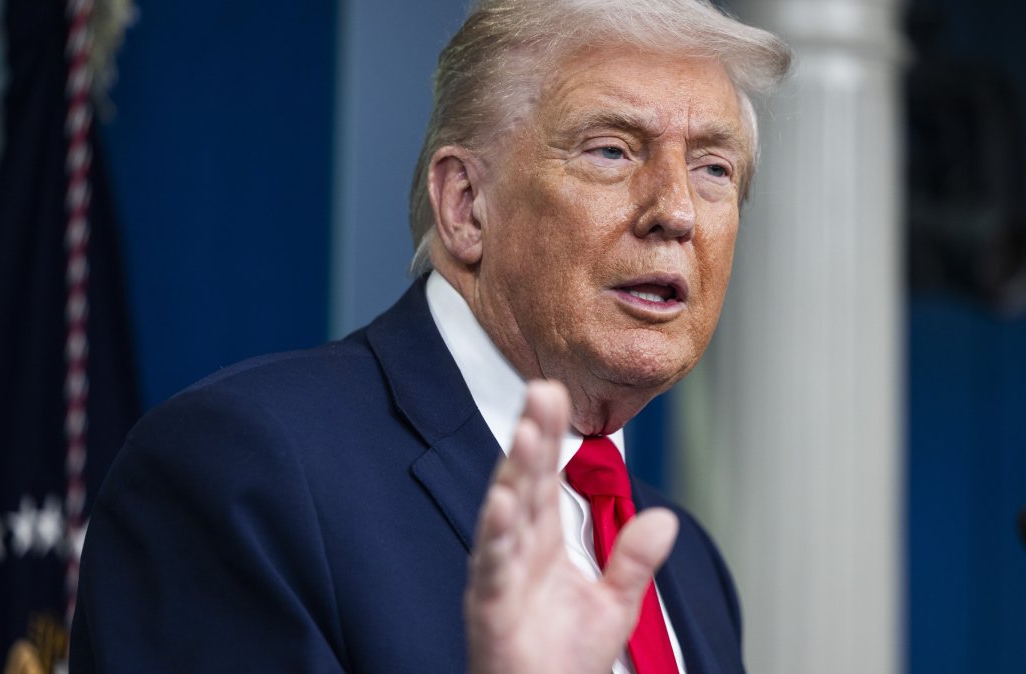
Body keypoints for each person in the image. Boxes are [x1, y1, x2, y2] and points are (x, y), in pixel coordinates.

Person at [70, 0, 791, 672]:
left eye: (713, 169)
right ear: (466, 206)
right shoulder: (246, 470)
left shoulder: (685, 563)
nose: (676, 211)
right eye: (611, 150)